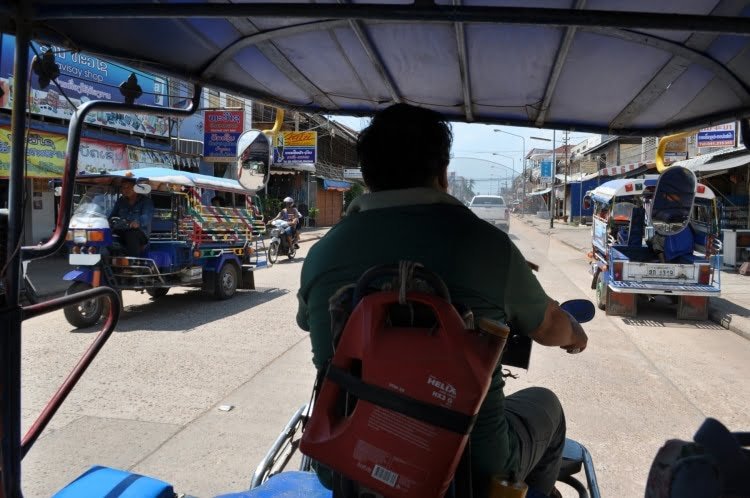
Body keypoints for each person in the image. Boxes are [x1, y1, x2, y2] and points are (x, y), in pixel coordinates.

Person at [296, 103, 588, 498]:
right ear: (443, 173)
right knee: (547, 405)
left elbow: (307, 322)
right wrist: (574, 336)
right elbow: (550, 326)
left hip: (350, 465)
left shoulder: (322, 255)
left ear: (366, 175)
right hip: (473, 471)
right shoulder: (488, 247)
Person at [109, 178, 154, 257]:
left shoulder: (146, 201)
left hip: (140, 233)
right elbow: (112, 216)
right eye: (123, 187)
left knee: (131, 234)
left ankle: (132, 263)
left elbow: (146, 217)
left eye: (128, 187)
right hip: (122, 230)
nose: (125, 190)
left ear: (136, 188)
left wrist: (136, 223)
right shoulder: (120, 201)